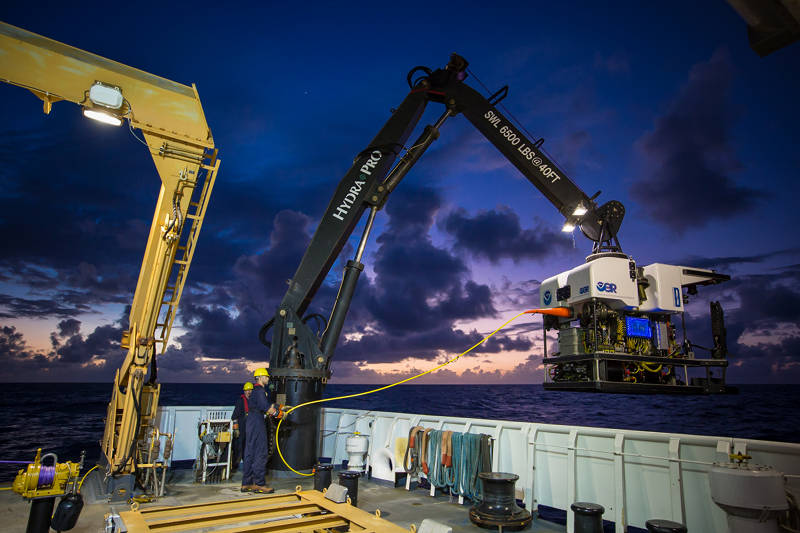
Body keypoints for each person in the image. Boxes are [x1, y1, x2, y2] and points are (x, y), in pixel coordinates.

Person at [241, 368, 277, 493]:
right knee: (260, 452)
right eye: (266, 377)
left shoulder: (254, 391)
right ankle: (259, 484)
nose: (268, 379)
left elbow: (260, 406)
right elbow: (265, 407)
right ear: (261, 378)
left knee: (249, 452)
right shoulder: (260, 391)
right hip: (257, 422)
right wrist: (278, 412)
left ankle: (246, 483)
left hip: (250, 422)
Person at [231, 382, 252, 472]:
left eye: (250, 390)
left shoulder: (252, 402)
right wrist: (236, 429)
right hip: (241, 430)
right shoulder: (240, 401)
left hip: (249, 429)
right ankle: (234, 466)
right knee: (238, 448)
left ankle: (247, 466)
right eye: (247, 390)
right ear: (244, 391)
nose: (249, 392)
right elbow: (234, 417)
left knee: (248, 449)